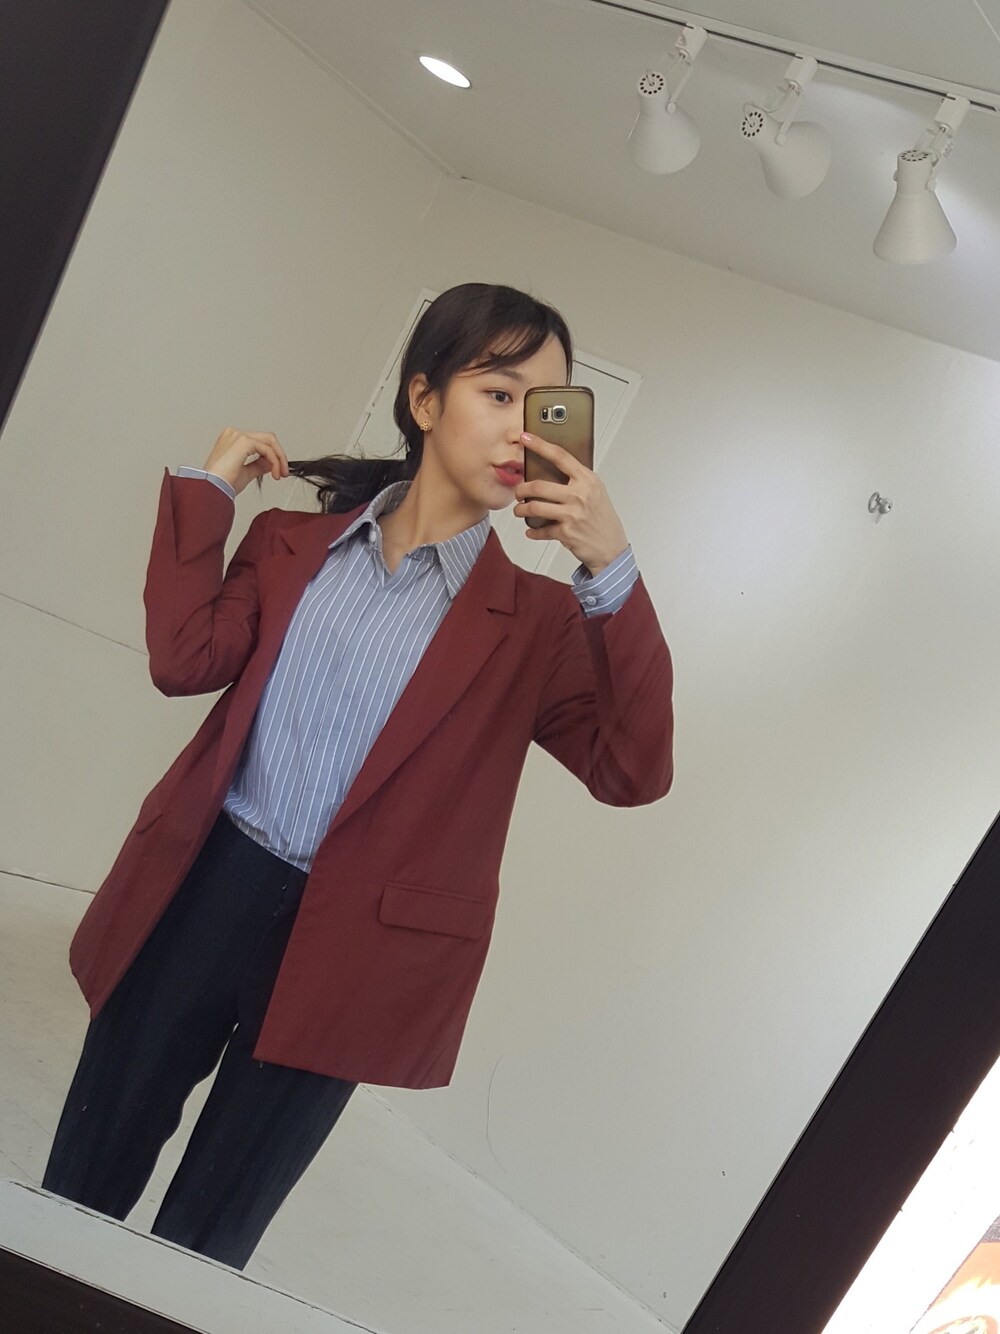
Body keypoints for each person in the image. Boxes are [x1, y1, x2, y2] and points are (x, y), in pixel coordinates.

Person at [43, 282, 674, 1269]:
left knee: (207, 1237)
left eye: (547, 405)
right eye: (498, 393)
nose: (524, 428)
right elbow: (184, 659)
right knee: (85, 1170)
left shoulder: (541, 624)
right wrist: (209, 491)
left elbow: (633, 769)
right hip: (206, 887)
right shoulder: (291, 546)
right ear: (424, 400)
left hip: (360, 943)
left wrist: (612, 566)